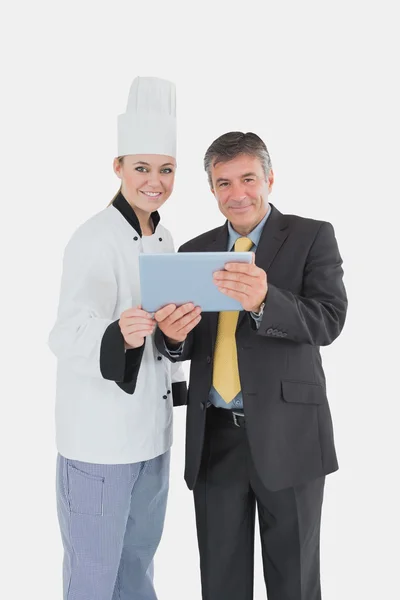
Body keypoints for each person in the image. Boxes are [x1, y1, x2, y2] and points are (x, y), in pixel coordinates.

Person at [154, 131, 347, 600]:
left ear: (269, 179)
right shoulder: (194, 251)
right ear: (212, 189)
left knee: (294, 581)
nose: (237, 194)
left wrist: (265, 302)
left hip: (290, 437)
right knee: (220, 581)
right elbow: (180, 345)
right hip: (215, 438)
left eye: (247, 179)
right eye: (223, 183)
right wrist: (173, 337)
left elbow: (329, 320)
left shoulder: (311, 236)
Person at [48, 76, 191, 600]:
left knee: (138, 568)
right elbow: (66, 333)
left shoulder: (166, 236)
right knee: (93, 577)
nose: (155, 181)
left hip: (152, 440)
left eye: (166, 169)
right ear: (118, 168)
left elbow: (165, 339)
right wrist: (119, 333)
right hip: (100, 443)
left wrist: (172, 338)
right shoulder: (92, 239)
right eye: (142, 168)